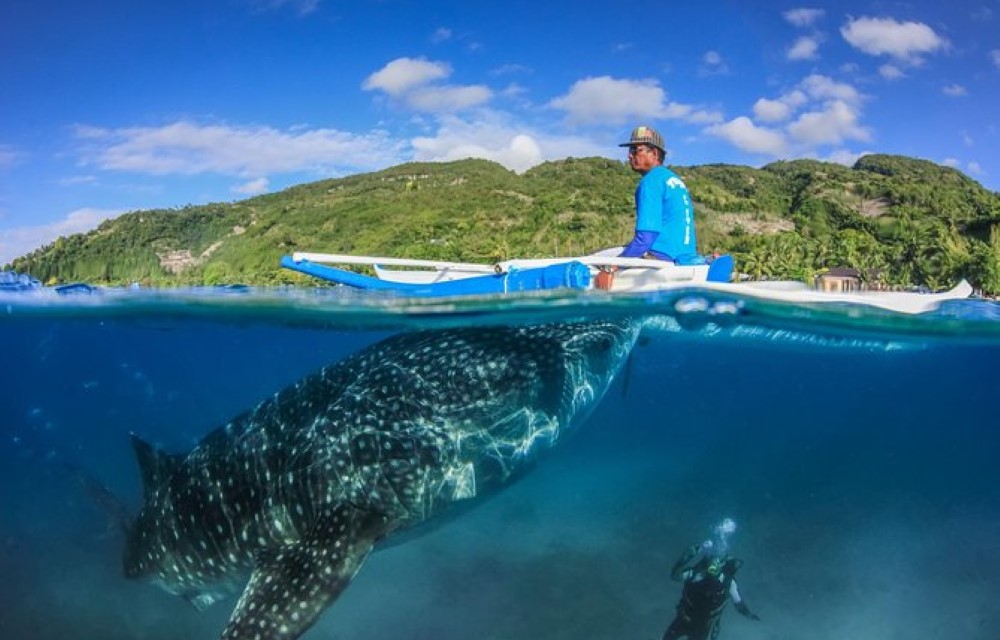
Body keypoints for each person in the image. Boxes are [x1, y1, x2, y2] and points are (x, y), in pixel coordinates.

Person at [595, 125, 699, 290]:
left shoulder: (651, 181)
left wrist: (611, 268)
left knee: (593, 262)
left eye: (636, 150)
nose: (630, 155)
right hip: (684, 256)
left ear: (655, 153)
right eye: (630, 150)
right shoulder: (675, 180)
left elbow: (645, 238)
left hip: (658, 256)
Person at [662, 518, 760, 640]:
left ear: (724, 563)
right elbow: (675, 576)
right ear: (707, 559)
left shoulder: (728, 582)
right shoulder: (696, 574)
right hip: (684, 618)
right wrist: (686, 557)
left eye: (718, 562)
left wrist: (749, 614)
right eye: (712, 560)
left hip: (702, 625)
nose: (714, 565)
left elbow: (739, 604)